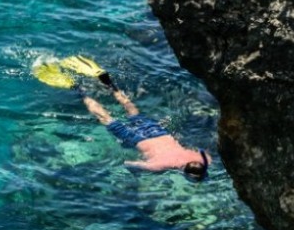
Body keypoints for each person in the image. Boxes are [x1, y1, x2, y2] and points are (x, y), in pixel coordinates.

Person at [80, 71, 211, 181]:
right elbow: (128, 164)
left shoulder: (204, 159)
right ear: (184, 173)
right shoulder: (159, 166)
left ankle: (110, 84)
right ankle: (80, 90)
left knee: (132, 110)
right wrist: (139, 169)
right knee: (106, 118)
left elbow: (202, 152)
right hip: (137, 139)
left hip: (158, 132)